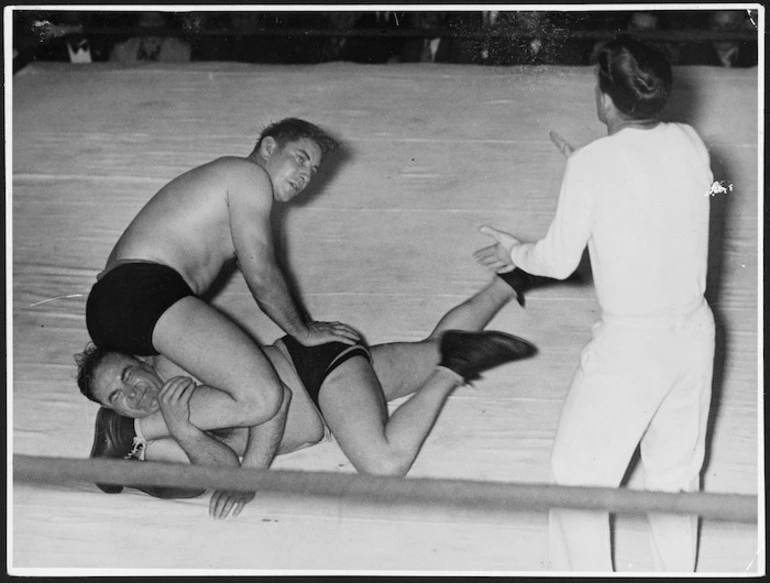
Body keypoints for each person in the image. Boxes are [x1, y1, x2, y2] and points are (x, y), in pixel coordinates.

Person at [474, 35, 715, 572]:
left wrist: (514, 249)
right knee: (675, 477)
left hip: (633, 345)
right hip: (695, 336)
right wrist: (592, 166)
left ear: (605, 99)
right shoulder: (691, 142)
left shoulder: (595, 165)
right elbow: (698, 187)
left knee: (576, 475)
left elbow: (557, 261)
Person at [77, 276, 538, 518]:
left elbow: (271, 400)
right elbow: (222, 472)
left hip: (317, 371)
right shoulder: (168, 430)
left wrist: (251, 476)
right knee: (430, 346)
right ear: (113, 409)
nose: (133, 392)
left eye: (127, 375)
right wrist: (183, 432)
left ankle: (453, 369)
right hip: (337, 385)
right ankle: (508, 282)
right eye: (118, 399)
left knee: (383, 463)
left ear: (141, 360)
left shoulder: (176, 364)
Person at [85, 117, 363, 491]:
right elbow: (261, 275)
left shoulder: (237, 187)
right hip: (140, 293)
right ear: (267, 147)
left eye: (312, 170)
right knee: (262, 396)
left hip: (125, 305)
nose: (304, 175)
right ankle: (128, 429)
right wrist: (303, 330)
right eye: (299, 158)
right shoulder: (248, 177)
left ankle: (142, 446)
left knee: (191, 397)